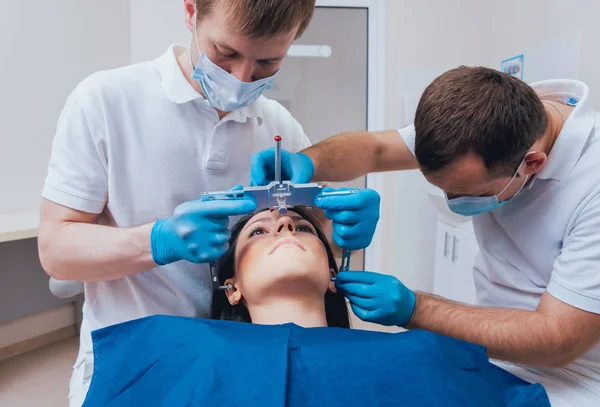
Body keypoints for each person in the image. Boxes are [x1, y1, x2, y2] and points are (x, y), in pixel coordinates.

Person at [250, 67, 600, 405]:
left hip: (577, 378)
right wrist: (309, 162)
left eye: (465, 193)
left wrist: (415, 309)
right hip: (495, 356)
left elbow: (559, 339)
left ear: (533, 164)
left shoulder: (591, 187)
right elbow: (374, 148)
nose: (452, 201)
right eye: (258, 231)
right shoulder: (484, 117)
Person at [80, 208, 550, 407]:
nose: (283, 228)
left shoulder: (425, 352)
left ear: (332, 275)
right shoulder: (168, 344)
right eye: (260, 232)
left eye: (301, 228)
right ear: (232, 288)